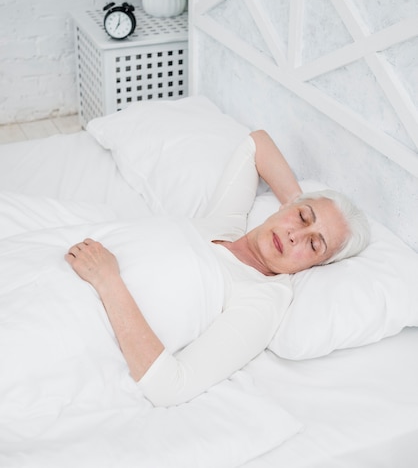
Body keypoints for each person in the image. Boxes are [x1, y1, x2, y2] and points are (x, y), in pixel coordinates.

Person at [65, 130, 370, 406]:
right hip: (66, 265)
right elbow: (256, 144)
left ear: (317, 265)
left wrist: (107, 280)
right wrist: (295, 201)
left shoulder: (264, 299)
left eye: (314, 245)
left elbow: (170, 387)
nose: (295, 235)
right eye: (303, 217)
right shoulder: (224, 223)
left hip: (79, 322)